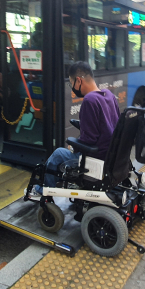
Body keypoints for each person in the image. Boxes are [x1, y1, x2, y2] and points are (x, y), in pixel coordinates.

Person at [26, 61, 120, 198]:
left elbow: (89, 139)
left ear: (79, 81)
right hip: (111, 153)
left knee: (58, 153)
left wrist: (74, 146)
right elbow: (110, 123)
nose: (72, 89)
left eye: (71, 84)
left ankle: (43, 190)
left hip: (96, 157)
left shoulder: (89, 100)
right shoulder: (108, 95)